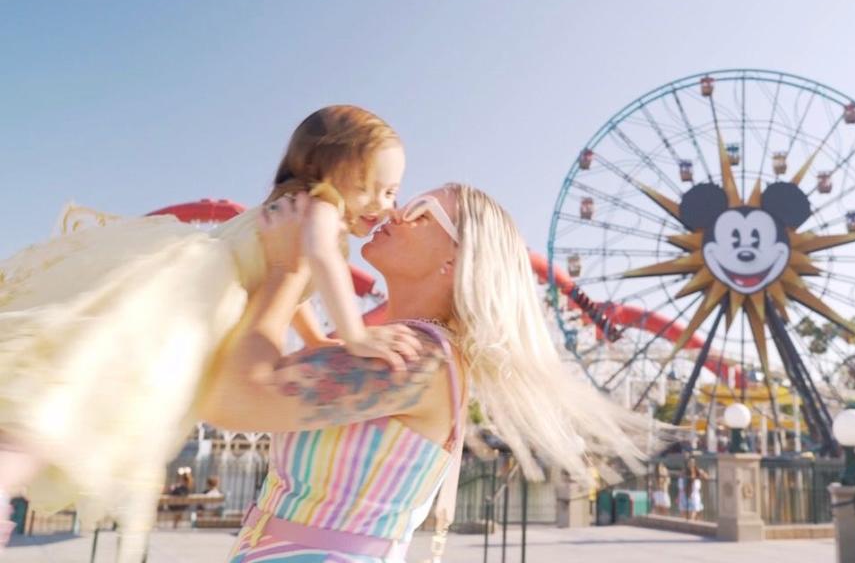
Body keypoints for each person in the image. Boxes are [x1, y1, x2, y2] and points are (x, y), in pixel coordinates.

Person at [0, 105, 414, 560]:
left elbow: (294, 287)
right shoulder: (321, 209)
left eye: (391, 191)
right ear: (324, 172)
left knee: (83, 385)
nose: (383, 204)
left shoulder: (293, 208)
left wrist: (315, 340)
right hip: (193, 300)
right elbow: (316, 257)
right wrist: (354, 334)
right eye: (366, 187)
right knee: (88, 391)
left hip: (192, 293)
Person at [198, 183, 653, 561]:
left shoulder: (418, 360)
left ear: (455, 261)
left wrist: (285, 268)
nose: (396, 212)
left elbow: (233, 400)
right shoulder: (387, 348)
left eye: (422, 212)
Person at [683, 457, 707, 521]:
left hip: (697, 495)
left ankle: (696, 523)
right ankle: (691, 522)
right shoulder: (687, 471)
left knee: (699, 512)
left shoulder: (697, 470)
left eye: (693, 462)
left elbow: (706, 477)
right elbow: (690, 479)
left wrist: (702, 473)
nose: (692, 464)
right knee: (693, 511)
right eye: (690, 462)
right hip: (691, 495)